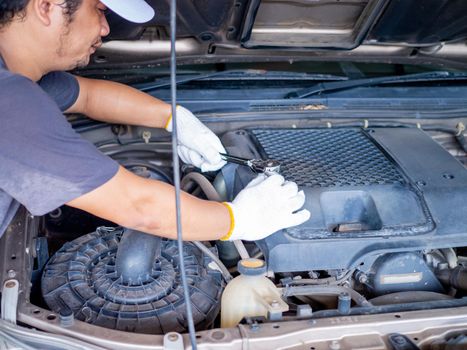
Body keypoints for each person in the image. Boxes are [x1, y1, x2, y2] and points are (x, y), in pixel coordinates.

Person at [0, 0, 310, 242]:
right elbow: (138, 206)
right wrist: (234, 221)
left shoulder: (19, 77)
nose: (106, 28)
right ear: (45, 7)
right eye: (99, 10)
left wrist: (174, 119)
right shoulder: (10, 99)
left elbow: (89, 96)